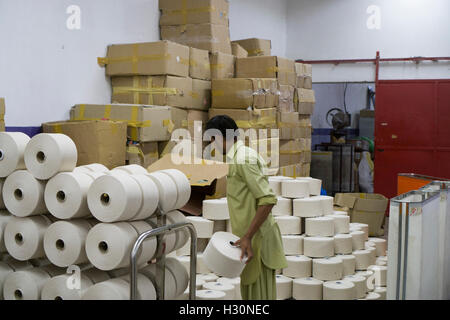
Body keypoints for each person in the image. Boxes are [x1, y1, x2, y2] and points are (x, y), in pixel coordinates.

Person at [205, 115, 287, 300]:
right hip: (248, 240)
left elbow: (267, 199)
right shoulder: (236, 158)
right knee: (251, 292)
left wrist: (248, 236)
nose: (212, 144)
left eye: (211, 138)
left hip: (256, 238)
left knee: (259, 296)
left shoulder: (243, 159)